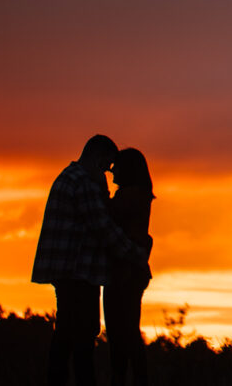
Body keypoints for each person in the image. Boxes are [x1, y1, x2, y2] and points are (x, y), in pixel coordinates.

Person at [32, 135, 146, 386]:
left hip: (67, 271)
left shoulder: (68, 176)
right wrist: (136, 254)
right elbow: (103, 227)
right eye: (106, 166)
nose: (108, 172)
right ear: (98, 157)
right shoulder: (84, 183)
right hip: (78, 272)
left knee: (65, 333)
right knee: (82, 337)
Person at [104, 147, 155, 386]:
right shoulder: (138, 194)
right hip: (130, 272)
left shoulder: (131, 196)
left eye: (117, 166)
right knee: (128, 332)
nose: (112, 171)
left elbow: (106, 215)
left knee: (122, 333)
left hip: (125, 273)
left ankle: (124, 379)